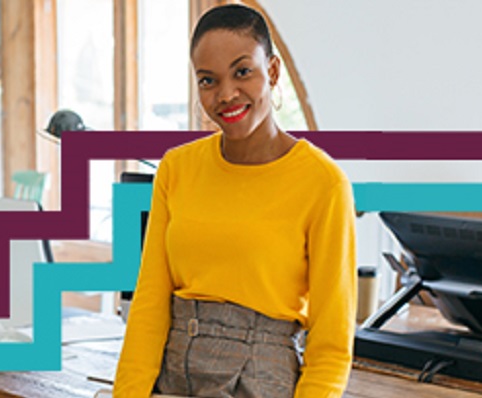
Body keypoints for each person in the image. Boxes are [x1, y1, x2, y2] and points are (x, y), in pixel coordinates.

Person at [114, 4, 356, 398]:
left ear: (273, 71)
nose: (226, 94)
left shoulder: (324, 183)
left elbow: (331, 344)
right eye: (208, 81)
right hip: (171, 376)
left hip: (261, 381)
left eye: (242, 71)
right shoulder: (176, 169)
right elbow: (150, 306)